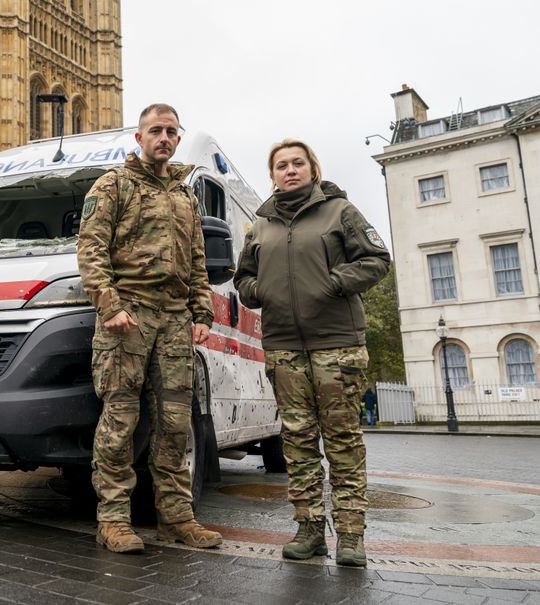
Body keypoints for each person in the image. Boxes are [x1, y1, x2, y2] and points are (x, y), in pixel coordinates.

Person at [234, 139, 390, 567]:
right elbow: (242, 279)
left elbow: (377, 259)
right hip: (284, 348)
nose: (289, 170)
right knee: (298, 442)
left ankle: (352, 536)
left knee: (343, 442)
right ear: (272, 175)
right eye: (281, 165)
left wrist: (334, 282)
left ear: (312, 168)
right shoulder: (260, 225)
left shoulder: (340, 211)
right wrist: (258, 290)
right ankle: (309, 530)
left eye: (297, 163)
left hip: (336, 344)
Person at [77, 103, 222, 554]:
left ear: (178, 139)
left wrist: (202, 313)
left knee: (176, 422)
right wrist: (110, 305)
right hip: (129, 317)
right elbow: (90, 248)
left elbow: (197, 259)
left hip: (176, 319)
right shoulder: (113, 185)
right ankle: (114, 519)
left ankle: (177, 519)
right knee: (120, 420)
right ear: (138, 138)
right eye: (155, 130)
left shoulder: (184, 194)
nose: (164, 137)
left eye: (172, 132)